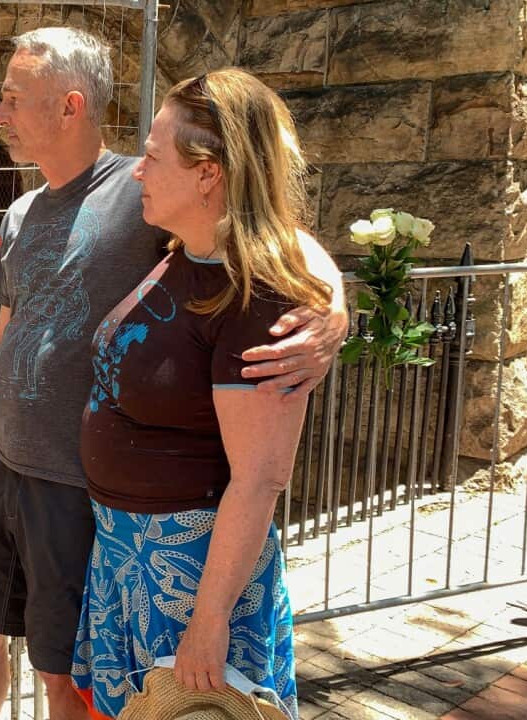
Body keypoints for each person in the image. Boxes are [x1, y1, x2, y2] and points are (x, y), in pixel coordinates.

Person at [0, 29, 347, 720]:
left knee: (64, 672)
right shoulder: (26, 209)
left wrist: (332, 305)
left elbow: (269, 230)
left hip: (81, 496)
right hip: (18, 475)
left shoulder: (141, 195)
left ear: (68, 106)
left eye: (11, 98)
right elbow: (10, 326)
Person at [70, 68, 326, 720]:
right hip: (129, 559)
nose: (137, 171)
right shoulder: (184, 250)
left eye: (153, 156)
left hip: (188, 579)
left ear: (208, 172)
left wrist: (209, 620)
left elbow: (262, 476)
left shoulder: (258, 296)